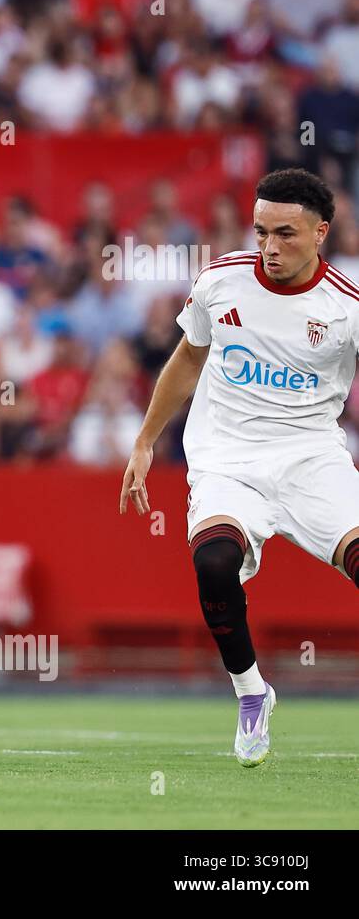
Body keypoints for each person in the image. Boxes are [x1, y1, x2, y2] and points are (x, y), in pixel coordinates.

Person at [120, 168, 359, 767]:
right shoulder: (220, 281)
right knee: (214, 561)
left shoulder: (347, 308)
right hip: (228, 458)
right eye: (261, 232)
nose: (271, 247)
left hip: (312, 455)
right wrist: (146, 440)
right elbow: (188, 358)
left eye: (286, 234)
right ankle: (252, 692)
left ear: (321, 233)